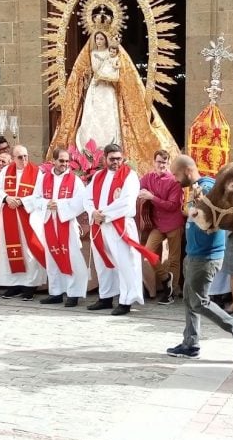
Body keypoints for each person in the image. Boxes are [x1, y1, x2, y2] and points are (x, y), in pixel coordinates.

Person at [49, 30, 178, 174]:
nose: (99, 41)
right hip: (94, 90)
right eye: (96, 38)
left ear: (106, 40)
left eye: (101, 38)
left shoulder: (113, 54)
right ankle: (90, 159)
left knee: (109, 119)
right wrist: (86, 78)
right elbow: (84, 72)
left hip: (108, 91)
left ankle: (111, 152)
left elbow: (119, 73)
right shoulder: (90, 54)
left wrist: (109, 71)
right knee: (91, 119)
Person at [165, 154, 233, 359]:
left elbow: (209, 221)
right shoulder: (198, 189)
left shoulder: (206, 189)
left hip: (205, 256)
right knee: (190, 300)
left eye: (176, 175)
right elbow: (191, 213)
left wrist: (193, 207)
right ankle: (190, 343)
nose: (175, 180)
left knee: (199, 302)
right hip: (195, 254)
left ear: (187, 171)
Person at [85, 143, 156, 316]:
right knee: (103, 262)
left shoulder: (129, 176)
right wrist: (93, 212)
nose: (116, 162)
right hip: (100, 225)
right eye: (112, 159)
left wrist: (104, 214)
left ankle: (126, 301)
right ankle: (106, 297)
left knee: (125, 263)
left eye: (119, 158)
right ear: (104, 158)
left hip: (120, 225)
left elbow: (127, 202)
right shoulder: (98, 176)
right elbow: (86, 198)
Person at [33, 148, 89, 307]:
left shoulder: (75, 180)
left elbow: (81, 201)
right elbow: (35, 198)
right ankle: (56, 292)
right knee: (52, 258)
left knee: (71, 258)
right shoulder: (43, 178)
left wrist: (60, 206)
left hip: (66, 224)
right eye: (61, 161)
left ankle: (74, 293)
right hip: (49, 222)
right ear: (54, 161)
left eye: (66, 161)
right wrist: (46, 204)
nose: (64, 164)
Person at [0, 145, 47, 300]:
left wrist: (22, 201)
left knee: (28, 251)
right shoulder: (5, 171)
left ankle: (30, 285)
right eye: (20, 157)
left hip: (27, 217)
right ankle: (14, 284)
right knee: (11, 250)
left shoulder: (37, 173)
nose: (24, 160)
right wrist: (7, 198)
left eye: (26, 156)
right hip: (9, 215)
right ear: (13, 158)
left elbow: (40, 195)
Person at [138, 150, 185, 304]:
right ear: (154, 162)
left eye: (164, 162)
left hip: (173, 223)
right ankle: (167, 279)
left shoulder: (174, 181)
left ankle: (170, 293)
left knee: (173, 259)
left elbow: (172, 206)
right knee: (148, 252)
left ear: (168, 163)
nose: (161, 165)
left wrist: (152, 197)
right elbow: (135, 188)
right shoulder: (148, 178)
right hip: (157, 224)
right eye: (158, 161)